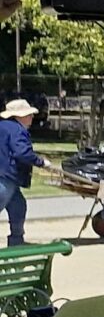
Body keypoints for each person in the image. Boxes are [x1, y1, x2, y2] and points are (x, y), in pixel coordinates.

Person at [2, 97, 51, 247]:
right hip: (6, 176)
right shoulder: (17, 130)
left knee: (18, 205)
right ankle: (16, 240)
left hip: (7, 176)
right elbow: (21, 153)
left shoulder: (3, 127)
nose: (31, 117)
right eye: (29, 114)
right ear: (19, 116)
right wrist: (41, 162)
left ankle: (17, 241)